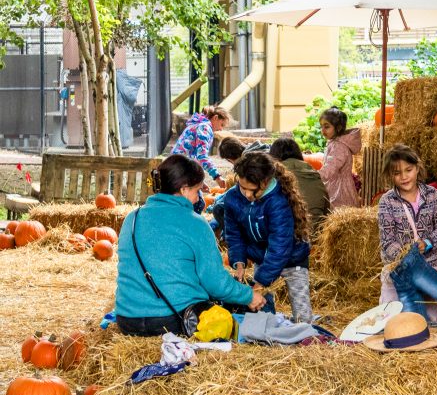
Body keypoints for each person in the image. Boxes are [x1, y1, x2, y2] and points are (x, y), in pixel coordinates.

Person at [115, 155, 264, 336]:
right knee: (235, 309)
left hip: (127, 320)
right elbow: (214, 283)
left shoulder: (132, 218)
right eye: (197, 191)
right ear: (184, 190)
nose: (197, 198)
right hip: (172, 319)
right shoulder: (195, 223)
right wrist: (248, 296)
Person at [222, 152, 313, 323]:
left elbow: (279, 246)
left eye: (252, 190)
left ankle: (303, 332)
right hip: (262, 258)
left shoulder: (277, 202)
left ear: (265, 182)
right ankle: (270, 333)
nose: (247, 195)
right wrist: (239, 262)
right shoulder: (233, 198)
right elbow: (234, 234)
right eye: (242, 187)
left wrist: (261, 282)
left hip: (292, 259)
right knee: (261, 310)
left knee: (303, 317)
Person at [377, 143, 437, 322]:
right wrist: (405, 256)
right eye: (397, 173)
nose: (404, 177)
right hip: (401, 269)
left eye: (408, 170)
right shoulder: (387, 202)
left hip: (430, 266)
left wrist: (429, 242)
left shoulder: (432, 195)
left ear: (417, 168)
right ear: (390, 176)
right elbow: (387, 239)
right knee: (408, 324)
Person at [269, 137, 331, 235]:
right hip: (316, 235)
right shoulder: (314, 173)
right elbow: (327, 211)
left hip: (289, 238)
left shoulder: (276, 175)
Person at [171, 105, 231, 189]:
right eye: (222, 124)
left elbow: (193, 156)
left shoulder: (198, 125)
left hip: (177, 167)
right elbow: (202, 156)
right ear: (215, 118)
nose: (221, 129)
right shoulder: (205, 128)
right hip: (181, 169)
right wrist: (217, 177)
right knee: (196, 200)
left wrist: (200, 182)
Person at [319, 108, 362, 208]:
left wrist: (314, 176)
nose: (323, 130)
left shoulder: (339, 147)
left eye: (327, 127)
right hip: (334, 187)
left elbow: (330, 168)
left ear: (338, 128)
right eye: (321, 126)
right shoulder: (334, 143)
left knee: (340, 215)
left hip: (340, 191)